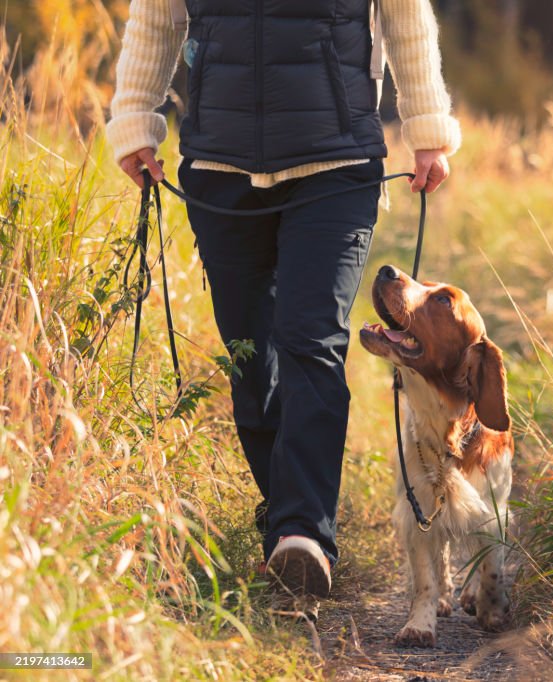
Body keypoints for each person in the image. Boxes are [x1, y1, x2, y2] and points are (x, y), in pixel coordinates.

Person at [106, 0, 460, 617]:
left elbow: (405, 16)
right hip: (219, 165)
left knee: (311, 339)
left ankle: (305, 534)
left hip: (337, 164)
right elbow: (157, 18)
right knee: (250, 357)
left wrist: (427, 130)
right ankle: (286, 524)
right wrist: (135, 119)